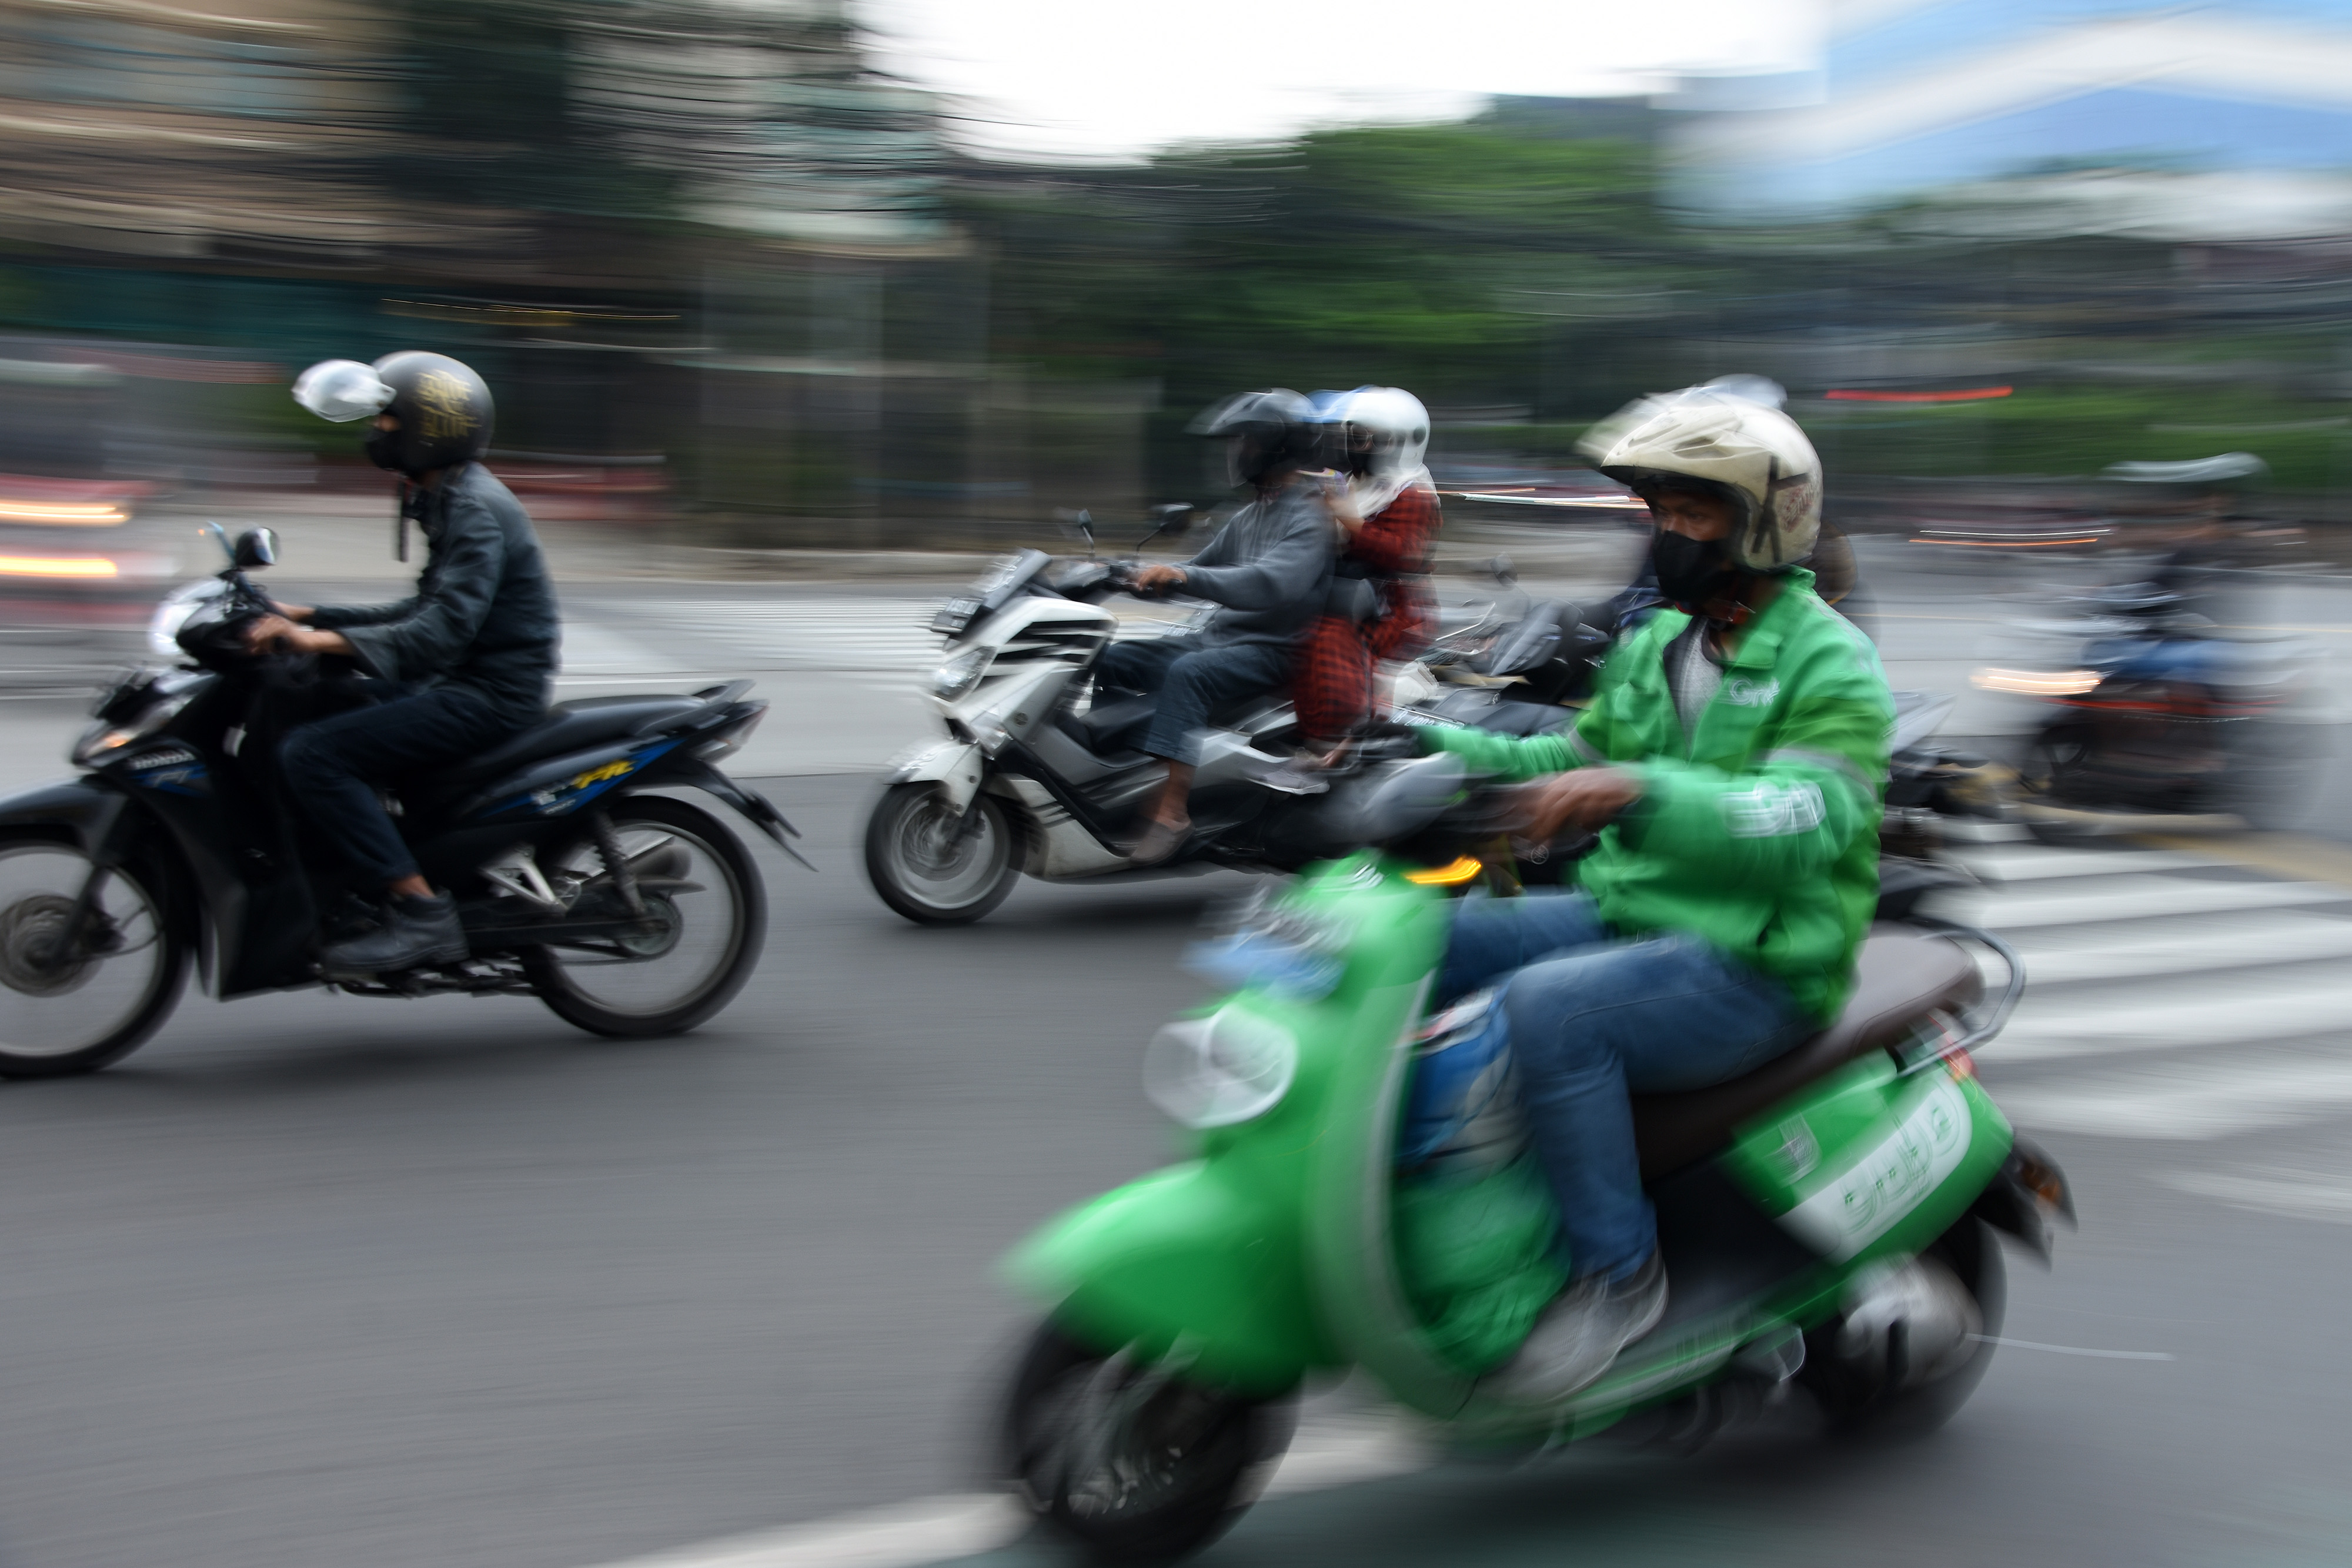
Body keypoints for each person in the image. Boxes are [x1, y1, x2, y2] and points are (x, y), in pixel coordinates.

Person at [1418, 385, 1892, 1401]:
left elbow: (1810, 816)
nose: (1669, 534)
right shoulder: (1659, 643)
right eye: (1661, 512)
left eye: (1694, 513)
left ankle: (1618, 1274)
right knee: (1427, 937)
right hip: (1638, 913)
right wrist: (1419, 740)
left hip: (1758, 960)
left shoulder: (1829, 658)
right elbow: (1570, 753)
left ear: (1762, 524)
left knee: (1552, 1009)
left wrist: (1639, 790)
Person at [250, 352, 560, 978]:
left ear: (431, 427)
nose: (376, 431)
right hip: (459, 677)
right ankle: (364, 872)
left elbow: (439, 630)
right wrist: (308, 615)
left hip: (487, 693)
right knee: (330, 700)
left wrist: (314, 641)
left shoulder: (473, 509)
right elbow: (421, 608)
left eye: (387, 420)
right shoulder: (450, 495)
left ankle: (422, 914)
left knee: (313, 753)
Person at [1097, 389, 1335, 865]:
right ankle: (1119, 776)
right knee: (1112, 659)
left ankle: (1172, 812)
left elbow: (1269, 584)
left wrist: (1184, 576)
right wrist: (1131, 576)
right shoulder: (1251, 514)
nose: (1236, 452)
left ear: (1276, 447)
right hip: (1221, 639)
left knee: (1189, 673)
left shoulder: (1310, 517)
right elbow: (1200, 570)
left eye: (1245, 441)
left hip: (1275, 650)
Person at [1265, 386, 1440, 794]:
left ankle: (1331, 746)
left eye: (1363, 438)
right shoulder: (1353, 483)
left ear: (1397, 442)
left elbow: (1404, 554)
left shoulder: (1411, 492)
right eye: (1351, 436)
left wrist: (1349, 521)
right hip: (1344, 593)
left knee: (1324, 641)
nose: (1352, 447)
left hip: (1391, 607)